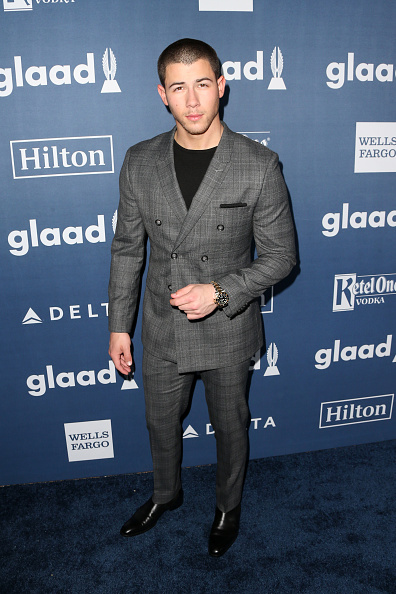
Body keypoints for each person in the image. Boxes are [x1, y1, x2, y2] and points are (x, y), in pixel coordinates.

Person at [108, 38, 296, 557]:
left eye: (203, 85)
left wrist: (219, 291)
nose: (192, 101)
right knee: (159, 420)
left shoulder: (258, 164)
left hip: (228, 325)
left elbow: (282, 257)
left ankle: (226, 507)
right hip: (162, 323)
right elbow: (127, 250)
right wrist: (119, 326)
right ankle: (165, 495)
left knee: (230, 425)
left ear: (222, 87)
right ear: (162, 95)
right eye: (178, 88)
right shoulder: (139, 161)